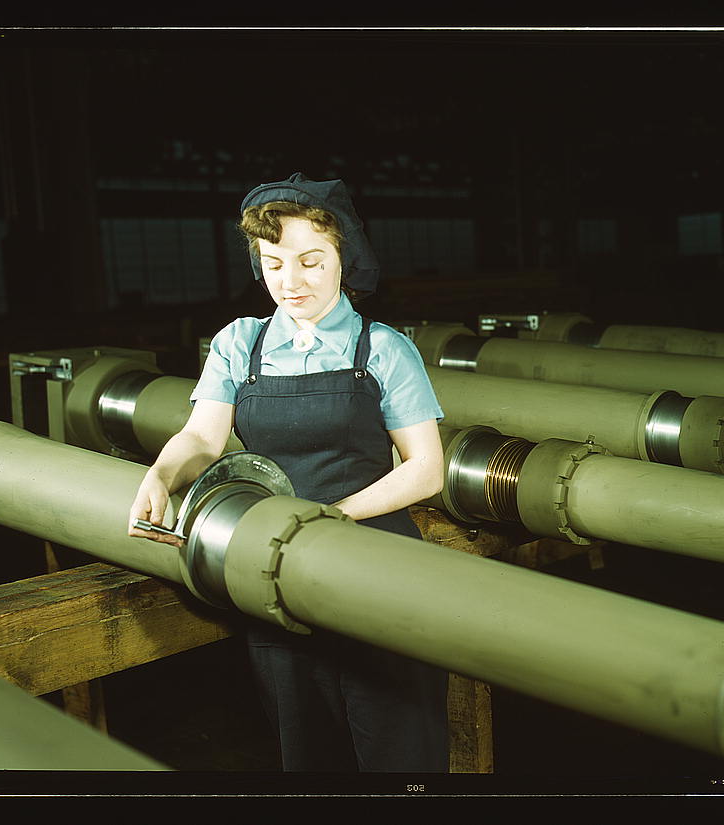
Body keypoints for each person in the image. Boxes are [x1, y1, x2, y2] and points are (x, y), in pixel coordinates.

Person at [127, 172, 449, 773]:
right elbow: (202, 436)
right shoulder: (239, 344)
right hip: (273, 576)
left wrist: (330, 517)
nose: (291, 281)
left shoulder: (383, 349)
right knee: (307, 755)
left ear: (344, 258)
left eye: (311, 261)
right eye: (273, 263)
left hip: (378, 569)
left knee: (401, 755)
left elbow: (427, 470)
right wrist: (161, 476)